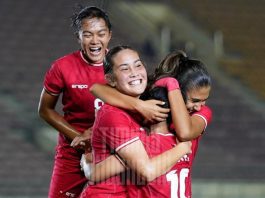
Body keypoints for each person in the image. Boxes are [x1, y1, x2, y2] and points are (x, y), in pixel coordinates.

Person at [79, 49, 212, 197]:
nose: (200, 107)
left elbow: (96, 173)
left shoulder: (147, 142)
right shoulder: (153, 135)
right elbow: (96, 88)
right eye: (194, 101)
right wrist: (139, 105)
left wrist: (87, 164)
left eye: (204, 101)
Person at [37, 6, 113, 198]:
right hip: (73, 152)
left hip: (114, 150)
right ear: (78, 38)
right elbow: (45, 110)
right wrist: (79, 138)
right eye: (87, 35)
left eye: (101, 34)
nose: (95, 41)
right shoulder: (62, 67)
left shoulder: (122, 65)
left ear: (109, 35)